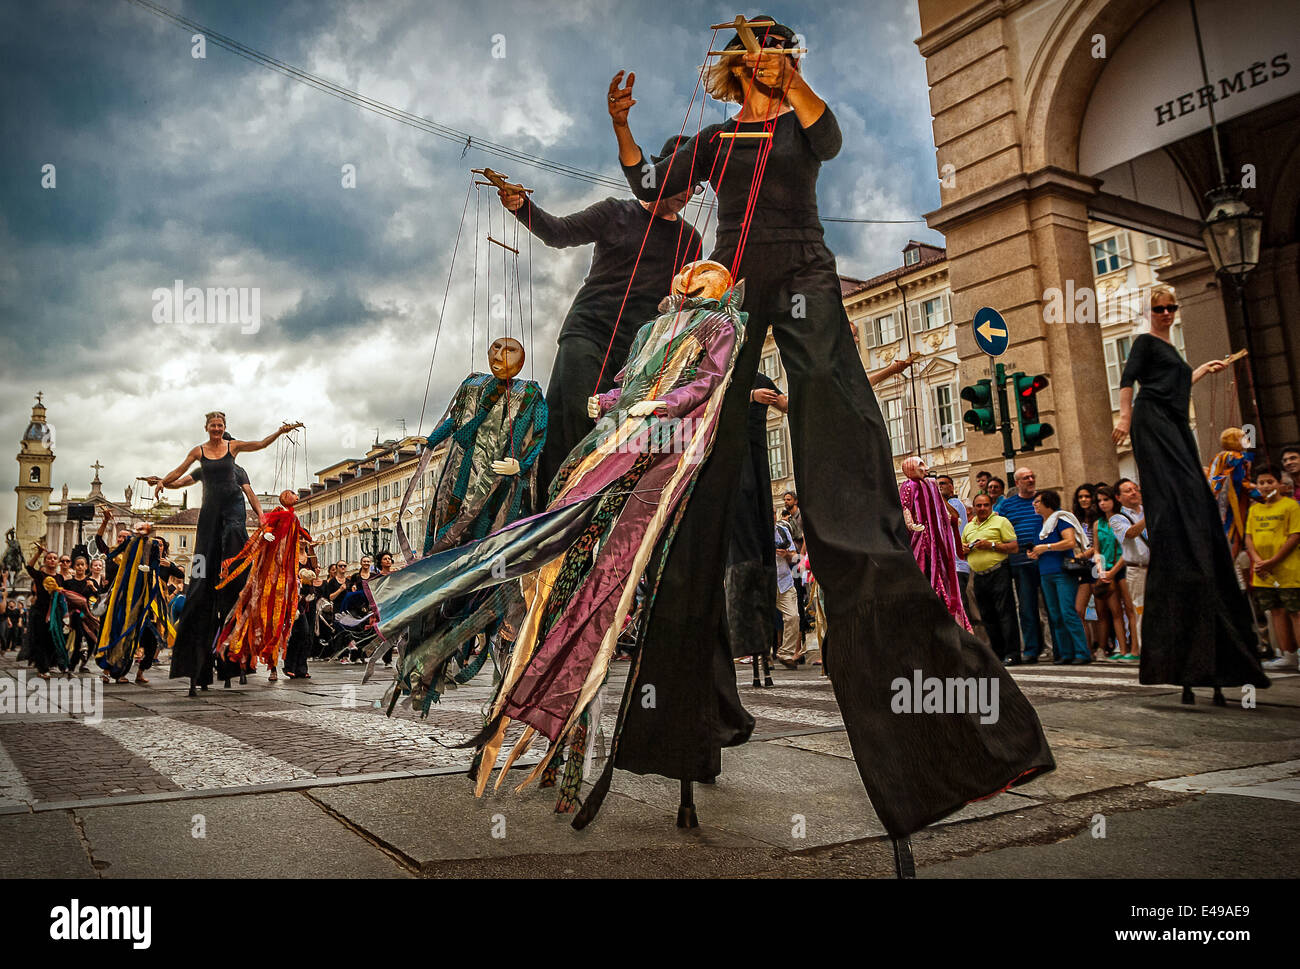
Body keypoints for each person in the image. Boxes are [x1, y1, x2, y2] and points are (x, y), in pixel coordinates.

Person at [604, 18, 1052, 838]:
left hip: (807, 271)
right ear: (742, 63)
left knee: (843, 454)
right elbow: (650, 188)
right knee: (699, 481)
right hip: (730, 289)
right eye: (769, 52)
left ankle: (942, 727)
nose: (783, 58)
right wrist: (625, 129)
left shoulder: (800, 119)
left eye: (790, 50)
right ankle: (680, 722)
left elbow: (833, 139)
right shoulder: (716, 136)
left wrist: (795, 80)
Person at [499, 147, 702, 489]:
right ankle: (554, 506)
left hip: (637, 353)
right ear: (659, 174)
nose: (687, 193)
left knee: (623, 429)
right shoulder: (615, 213)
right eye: (683, 181)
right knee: (579, 417)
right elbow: (558, 233)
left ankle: (600, 509)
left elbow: (689, 298)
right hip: (588, 332)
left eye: (696, 187)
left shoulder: (690, 240)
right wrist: (523, 208)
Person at [1113, 286, 1268, 704]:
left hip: (1176, 423)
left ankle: (1190, 523)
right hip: (1152, 421)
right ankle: (1172, 513)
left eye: (1171, 307)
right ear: (1149, 312)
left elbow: (1174, 383)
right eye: (1159, 308)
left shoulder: (1173, 351)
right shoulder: (1145, 342)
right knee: (1175, 491)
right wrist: (1125, 419)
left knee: (1194, 491)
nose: (1166, 313)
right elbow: (1129, 383)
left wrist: (1200, 371)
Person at [154, 412, 301, 697]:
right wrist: (162, 482)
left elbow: (257, 452)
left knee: (235, 556)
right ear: (207, 428)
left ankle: (237, 654)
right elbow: (180, 477)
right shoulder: (199, 453)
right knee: (201, 582)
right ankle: (197, 661)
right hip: (209, 517)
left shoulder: (235, 458)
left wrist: (260, 517)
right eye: (213, 425)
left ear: (225, 429)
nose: (217, 429)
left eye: (221, 425)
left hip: (233, 518)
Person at [725, 372, 784, 681]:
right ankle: (744, 639)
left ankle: (762, 642)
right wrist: (750, 398)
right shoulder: (726, 371)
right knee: (745, 541)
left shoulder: (759, 376)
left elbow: (785, 403)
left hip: (758, 453)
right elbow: (710, 404)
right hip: (735, 453)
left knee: (761, 545)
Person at [899, 457, 971, 631]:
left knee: (941, 575)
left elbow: (939, 507)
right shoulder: (908, 486)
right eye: (920, 466)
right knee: (927, 572)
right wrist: (910, 524)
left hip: (936, 540)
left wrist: (947, 519)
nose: (926, 468)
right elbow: (905, 507)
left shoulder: (930, 485)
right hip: (921, 539)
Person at [1026, 490, 1091, 664]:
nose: (1034, 504)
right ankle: (1065, 653)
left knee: (1068, 612)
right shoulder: (1040, 524)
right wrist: (1034, 553)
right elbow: (1038, 547)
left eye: (1038, 501)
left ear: (1048, 502)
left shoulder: (1061, 519)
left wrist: (1046, 547)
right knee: (1055, 615)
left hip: (1062, 572)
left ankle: (1082, 652)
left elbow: (1070, 542)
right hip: (1045, 572)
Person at [1246, 465, 1300, 670]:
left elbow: (1295, 536)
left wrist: (1272, 561)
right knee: (1276, 611)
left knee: (1295, 611)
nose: (1266, 486)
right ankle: (1288, 655)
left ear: (1279, 483)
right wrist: (1259, 561)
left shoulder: (1291, 506)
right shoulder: (1255, 509)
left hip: (1289, 571)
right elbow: (1248, 538)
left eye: (1270, 482)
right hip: (1263, 574)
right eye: (1261, 482)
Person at [961, 493, 1021, 664]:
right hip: (978, 576)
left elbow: (1014, 547)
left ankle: (1013, 653)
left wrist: (991, 545)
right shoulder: (968, 527)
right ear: (973, 507)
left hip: (998, 572)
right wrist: (965, 549)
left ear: (991, 506)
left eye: (985, 505)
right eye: (978, 506)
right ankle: (998, 653)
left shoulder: (1001, 522)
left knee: (1005, 614)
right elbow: (962, 550)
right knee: (987, 616)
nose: (982, 509)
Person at [998, 467, 1049, 662]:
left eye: (1032, 476)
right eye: (1026, 478)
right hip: (1020, 562)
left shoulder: (1044, 500)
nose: (1030, 479)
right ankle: (1030, 650)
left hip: (1045, 559)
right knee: (1027, 608)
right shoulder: (1008, 505)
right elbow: (999, 526)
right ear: (1017, 482)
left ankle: (1057, 649)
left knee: (1049, 607)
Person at [1093, 486, 1133, 660]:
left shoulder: (1123, 519)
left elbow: (1128, 549)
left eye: (1106, 500)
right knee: (1114, 611)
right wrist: (1101, 569)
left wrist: (1113, 571)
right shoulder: (1098, 523)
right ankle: (1121, 649)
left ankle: (1133, 649)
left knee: (1130, 609)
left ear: (1114, 500)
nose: (1102, 504)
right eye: (1100, 500)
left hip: (1123, 566)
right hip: (1105, 568)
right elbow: (1096, 549)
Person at [22, 545, 64, 678]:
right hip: (40, 612)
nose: (52, 560)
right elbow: (29, 567)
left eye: (54, 558)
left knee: (52, 640)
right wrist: (39, 552)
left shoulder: (60, 578)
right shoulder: (40, 575)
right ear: (45, 561)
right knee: (41, 640)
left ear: (57, 562)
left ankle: (50, 664)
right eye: (49, 558)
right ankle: (42, 668)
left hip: (54, 613)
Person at [938, 473, 973, 623]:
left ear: (951, 487)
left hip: (959, 565)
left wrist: (937, 496)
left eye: (943, 484)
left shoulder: (955, 502)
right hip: (950, 565)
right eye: (937, 484)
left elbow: (954, 515)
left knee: (962, 605)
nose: (939, 486)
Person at [774, 510, 801, 668]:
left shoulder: (782, 531)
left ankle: (785, 652)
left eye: (772, 513)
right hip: (765, 582)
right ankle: (762, 655)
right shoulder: (757, 533)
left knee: (793, 617)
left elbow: (794, 555)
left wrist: (786, 555)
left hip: (784, 581)